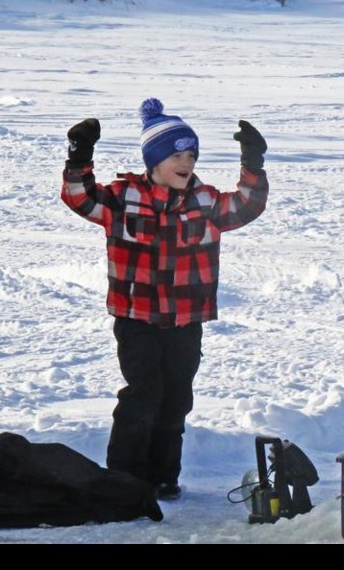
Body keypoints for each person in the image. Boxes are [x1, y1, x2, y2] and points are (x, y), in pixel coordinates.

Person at [61, 98, 269, 501]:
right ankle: (124, 479)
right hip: (136, 316)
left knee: (176, 397)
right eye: (176, 154)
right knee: (143, 394)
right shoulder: (123, 197)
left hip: (185, 320)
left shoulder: (206, 202)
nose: (186, 162)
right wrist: (79, 155)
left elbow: (248, 204)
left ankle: (162, 477)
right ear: (153, 159)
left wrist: (253, 164)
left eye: (191, 154)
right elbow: (79, 196)